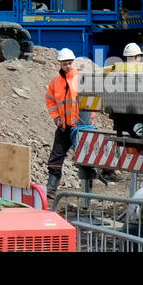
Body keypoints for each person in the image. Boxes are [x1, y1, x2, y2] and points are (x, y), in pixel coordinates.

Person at [45, 48, 95, 195]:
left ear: (73, 62)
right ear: (60, 64)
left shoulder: (80, 79)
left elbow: (90, 101)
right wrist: (56, 117)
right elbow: (49, 100)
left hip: (79, 127)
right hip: (63, 127)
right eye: (64, 64)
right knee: (56, 157)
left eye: (69, 63)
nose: (67, 66)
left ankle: (88, 192)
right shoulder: (55, 82)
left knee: (86, 159)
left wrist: (89, 120)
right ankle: (51, 188)